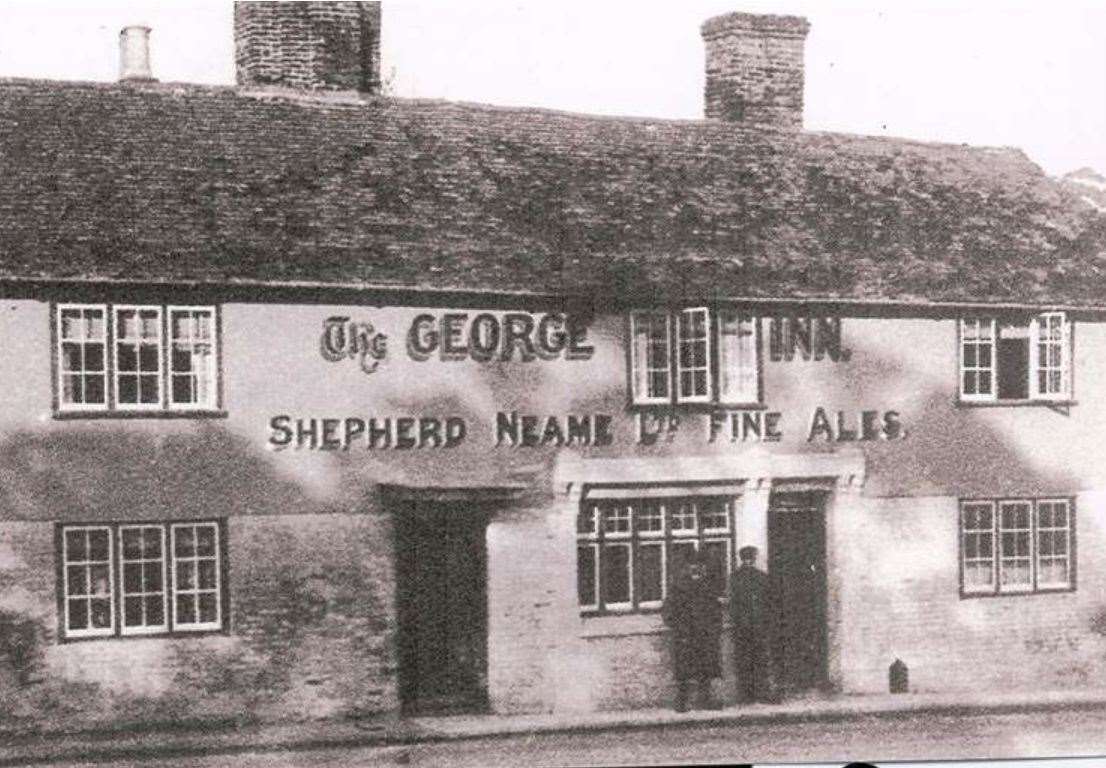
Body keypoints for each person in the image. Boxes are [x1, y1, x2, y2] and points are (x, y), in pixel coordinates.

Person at [662, 548, 723, 712]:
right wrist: (679, 629)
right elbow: (668, 611)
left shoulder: (708, 586)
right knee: (684, 670)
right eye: (693, 567)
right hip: (685, 635)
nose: (697, 570)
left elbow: (716, 609)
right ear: (687, 568)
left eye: (700, 567)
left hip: (705, 634)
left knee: (706, 668)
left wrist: (715, 627)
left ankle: (705, 699)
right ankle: (681, 701)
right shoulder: (678, 587)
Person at [728, 544, 775, 703]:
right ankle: (762, 693)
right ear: (754, 558)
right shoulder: (761, 577)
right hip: (757, 625)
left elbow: (733, 604)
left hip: (742, 626)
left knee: (744, 660)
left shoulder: (735, 577)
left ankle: (746, 695)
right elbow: (768, 602)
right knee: (760, 660)